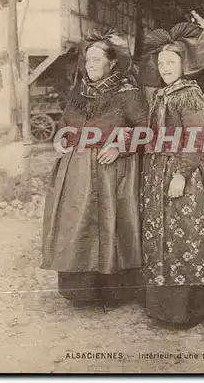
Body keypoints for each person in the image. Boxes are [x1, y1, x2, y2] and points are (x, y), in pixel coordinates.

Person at [41, 29, 147, 309]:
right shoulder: (80, 91)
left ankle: (114, 293)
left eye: (97, 59)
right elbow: (66, 122)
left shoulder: (127, 92)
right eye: (88, 59)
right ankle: (82, 292)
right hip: (76, 175)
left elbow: (145, 129)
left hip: (111, 174)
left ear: (112, 62)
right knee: (77, 226)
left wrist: (119, 147)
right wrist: (60, 137)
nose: (91, 64)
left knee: (111, 227)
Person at [139, 22, 204, 326]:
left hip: (182, 175)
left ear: (185, 65)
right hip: (159, 173)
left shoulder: (190, 95)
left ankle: (190, 310)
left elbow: (194, 139)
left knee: (187, 239)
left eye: (171, 62)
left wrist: (181, 174)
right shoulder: (163, 94)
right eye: (161, 63)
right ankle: (165, 308)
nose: (165, 67)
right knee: (163, 239)